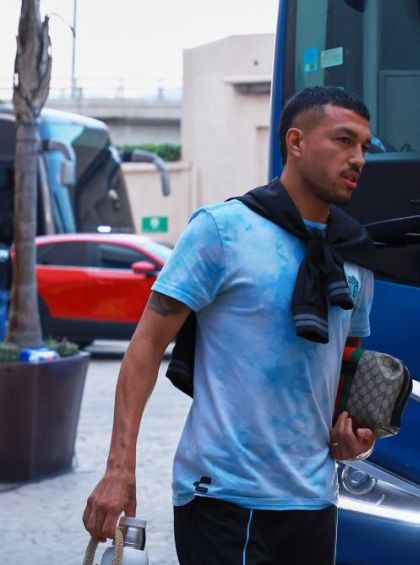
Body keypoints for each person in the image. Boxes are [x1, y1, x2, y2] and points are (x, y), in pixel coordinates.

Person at [83, 86, 376, 564]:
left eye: (364, 146)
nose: (358, 158)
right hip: (220, 497)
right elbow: (147, 344)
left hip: (314, 500)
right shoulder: (222, 230)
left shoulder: (355, 253)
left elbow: (347, 357)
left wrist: (353, 433)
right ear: (296, 142)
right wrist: (120, 468)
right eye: (344, 140)